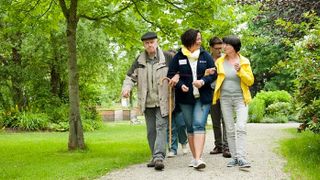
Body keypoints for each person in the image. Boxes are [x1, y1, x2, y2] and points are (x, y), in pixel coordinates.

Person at [122, 32, 173, 171]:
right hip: (147, 101)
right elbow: (130, 78)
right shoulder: (139, 60)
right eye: (147, 43)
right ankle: (155, 156)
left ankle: (159, 157)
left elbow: (177, 72)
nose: (150, 45)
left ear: (157, 42)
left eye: (152, 42)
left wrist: (176, 78)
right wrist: (126, 89)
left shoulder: (168, 57)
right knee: (151, 131)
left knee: (161, 127)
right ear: (143, 45)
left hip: (163, 101)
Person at [167, 29, 216, 169]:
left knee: (199, 124)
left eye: (200, 38)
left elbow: (214, 73)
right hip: (185, 98)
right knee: (190, 127)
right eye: (197, 39)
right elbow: (171, 74)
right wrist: (181, 85)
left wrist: (203, 81)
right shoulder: (179, 57)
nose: (200, 41)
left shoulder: (205, 55)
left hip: (203, 96)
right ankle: (195, 158)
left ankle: (198, 158)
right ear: (189, 41)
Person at [212, 35, 254, 168]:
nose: (224, 47)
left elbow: (250, 81)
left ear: (234, 47)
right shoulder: (219, 61)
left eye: (227, 45)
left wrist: (240, 71)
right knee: (229, 129)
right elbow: (217, 76)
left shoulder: (244, 61)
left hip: (240, 98)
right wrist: (208, 73)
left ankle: (241, 157)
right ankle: (235, 158)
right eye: (224, 44)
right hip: (225, 98)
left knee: (241, 126)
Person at [208, 37, 231, 158]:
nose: (219, 51)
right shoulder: (207, 59)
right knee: (215, 120)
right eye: (216, 48)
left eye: (220, 48)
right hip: (212, 92)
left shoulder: (226, 59)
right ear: (211, 48)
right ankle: (219, 145)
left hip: (225, 91)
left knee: (226, 119)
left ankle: (227, 147)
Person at [165, 50, 189, 158]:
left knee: (181, 124)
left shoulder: (181, 71)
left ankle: (184, 141)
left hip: (179, 101)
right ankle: (172, 148)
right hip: (168, 101)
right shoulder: (166, 71)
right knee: (170, 126)